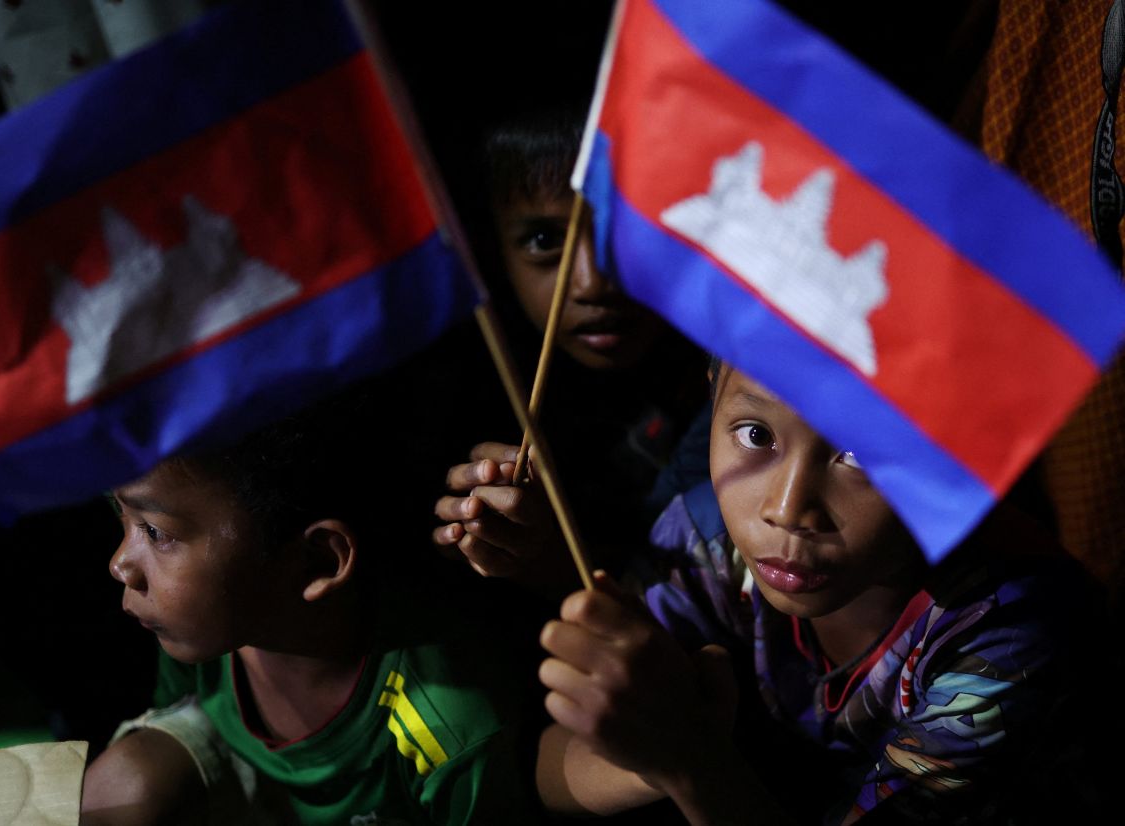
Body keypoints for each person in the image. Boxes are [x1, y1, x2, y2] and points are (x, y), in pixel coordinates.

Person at [533, 362, 1115, 824]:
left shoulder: (1004, 633)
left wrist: (692, 762)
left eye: (861, 455)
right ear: (714, 397)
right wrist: (654, 749)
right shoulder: (710, 537)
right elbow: (550, 770)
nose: (787, 510)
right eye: (756, 434)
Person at [80, 372, 545, 826]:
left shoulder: (449, 726)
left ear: (318, 562)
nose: (120, 564)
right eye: (122, 515)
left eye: (155, 532)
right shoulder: (208, 628)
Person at [433, 102, 710, 595]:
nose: (591, 282)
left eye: (624, 230)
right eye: (544, 238)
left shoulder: (730, 382)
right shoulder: (461, 388)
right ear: (493, 247)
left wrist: (552, 561)